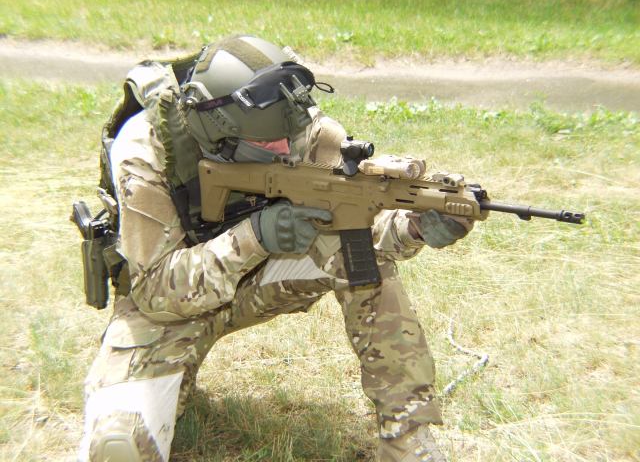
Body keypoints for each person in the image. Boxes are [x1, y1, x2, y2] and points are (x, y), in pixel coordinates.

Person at [78, 35, 474, 462]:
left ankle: (406, 436)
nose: (287, 150)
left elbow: (355, 220)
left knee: (359, 255)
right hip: (164, 311)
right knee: (118, 448)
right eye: (270, 149)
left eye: (291, 138)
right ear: (220, 131)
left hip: (259, 282)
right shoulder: (146, 150)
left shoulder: (298, 126)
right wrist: (255, 237)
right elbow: (154, 291)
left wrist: (413, 227)